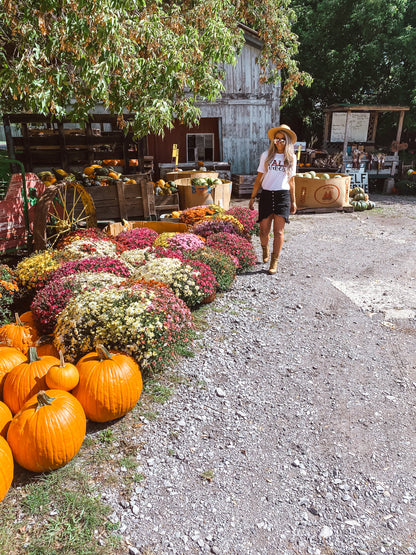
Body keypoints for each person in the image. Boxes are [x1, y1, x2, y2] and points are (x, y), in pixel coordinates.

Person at [248, 124, 297, 275]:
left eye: (283, 139)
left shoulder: (291, 158)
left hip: (283, 195)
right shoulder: (266, 156)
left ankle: (274, 261)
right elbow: (258, 179)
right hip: (267, 194)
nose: (280, 142)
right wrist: (252, 197)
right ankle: (265, 248)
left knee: (279, 232)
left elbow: (292, 181)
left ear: (288, 141)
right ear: (274, 141)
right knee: (263, 230)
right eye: (277, 139)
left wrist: (294, 201)